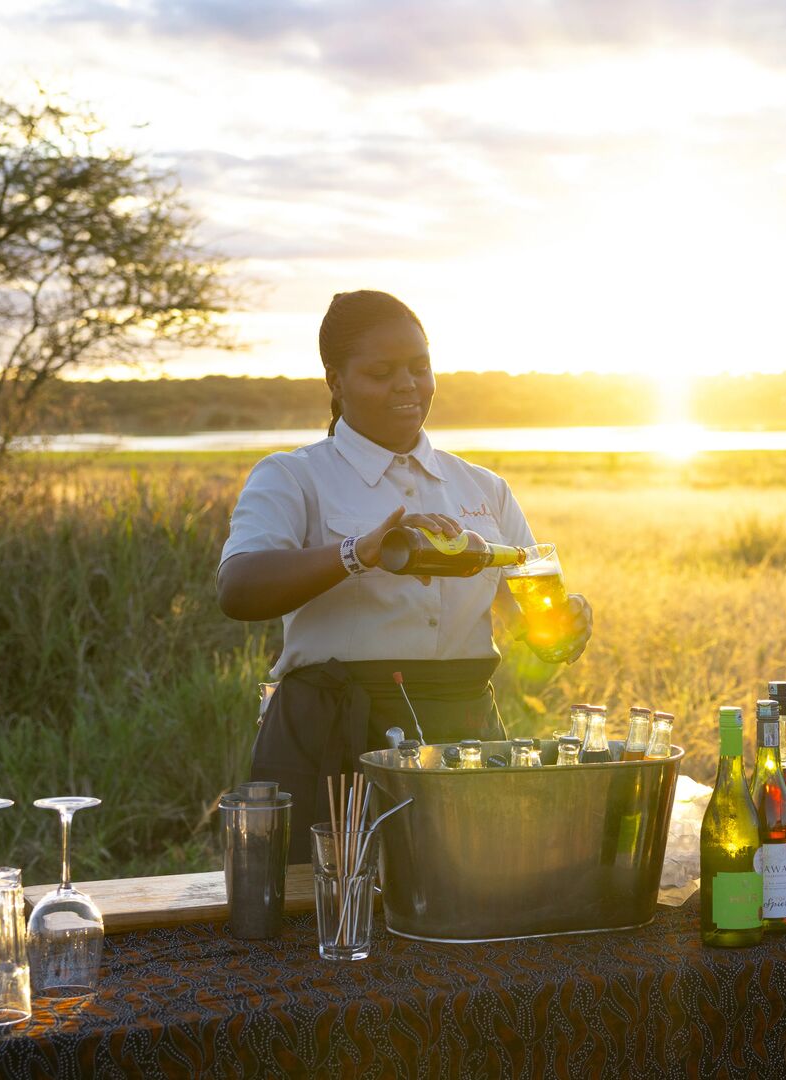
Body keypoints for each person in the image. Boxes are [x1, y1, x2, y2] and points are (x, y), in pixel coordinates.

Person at [217, 290, 592, 835]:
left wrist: (563, 630)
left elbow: (531, 626)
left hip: (465, 737)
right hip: (332, 735)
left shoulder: (483, 487)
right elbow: (238, 589)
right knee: (329, 908)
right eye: (381, 372)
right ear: (335, 381)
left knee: (472, 905)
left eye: (420, 368)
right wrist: (359, 552)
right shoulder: (293, 477)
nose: (407, 385)